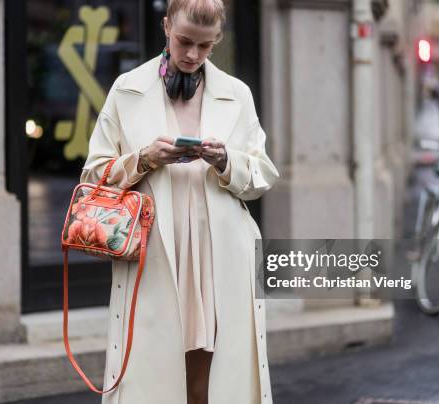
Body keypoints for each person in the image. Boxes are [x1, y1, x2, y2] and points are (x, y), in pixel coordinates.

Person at [80, 0, 279, 403]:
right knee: (152, 374)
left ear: (217, 40)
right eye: (184, 41)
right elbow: (92, 176)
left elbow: (262, 176)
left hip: (220, 253)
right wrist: (145, 159)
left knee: (217, 375)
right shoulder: (128, 89)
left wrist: (226, 160)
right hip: (154, 250)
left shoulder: (237, 94)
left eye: (204, 46)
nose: (192, 55)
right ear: (166, 26)